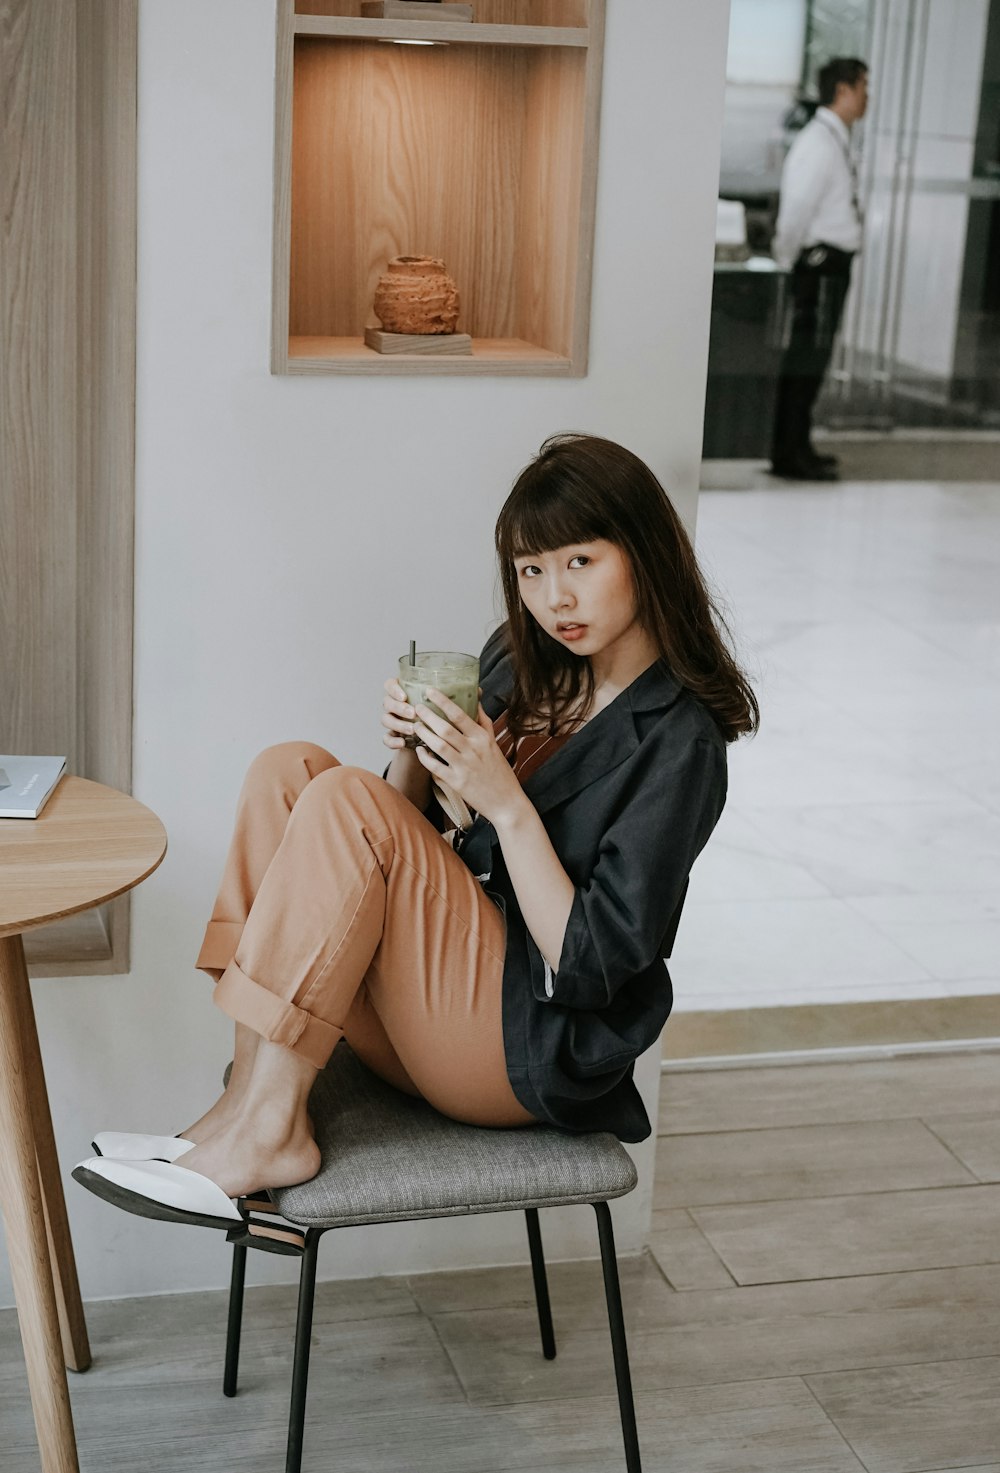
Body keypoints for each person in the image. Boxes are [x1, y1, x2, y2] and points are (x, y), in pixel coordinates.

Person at [73, 434, 758, 1234]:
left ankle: (269, 1133)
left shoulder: (678, 740)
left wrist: (506, 804)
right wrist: (412, 755)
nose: (553, 598)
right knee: (288, 771)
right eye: (532, 571)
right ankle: (242, 1110)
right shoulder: (523, 655)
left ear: (642, 552)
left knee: (343, 799)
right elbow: (412, 833)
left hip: (521, 1046)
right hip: (428, 1014)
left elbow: (593, 966)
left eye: (580, 561)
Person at [770, 57, 869, 481]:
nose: (868, 96)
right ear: (843, 90)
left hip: (828, 264)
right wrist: (787, 259)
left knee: (814, 358)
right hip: (820, 263)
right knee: (806, 360)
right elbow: (796, 211)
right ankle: (789, 454)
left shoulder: (833, 138)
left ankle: (799, 444)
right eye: (863, 86)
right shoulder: (818, 142)